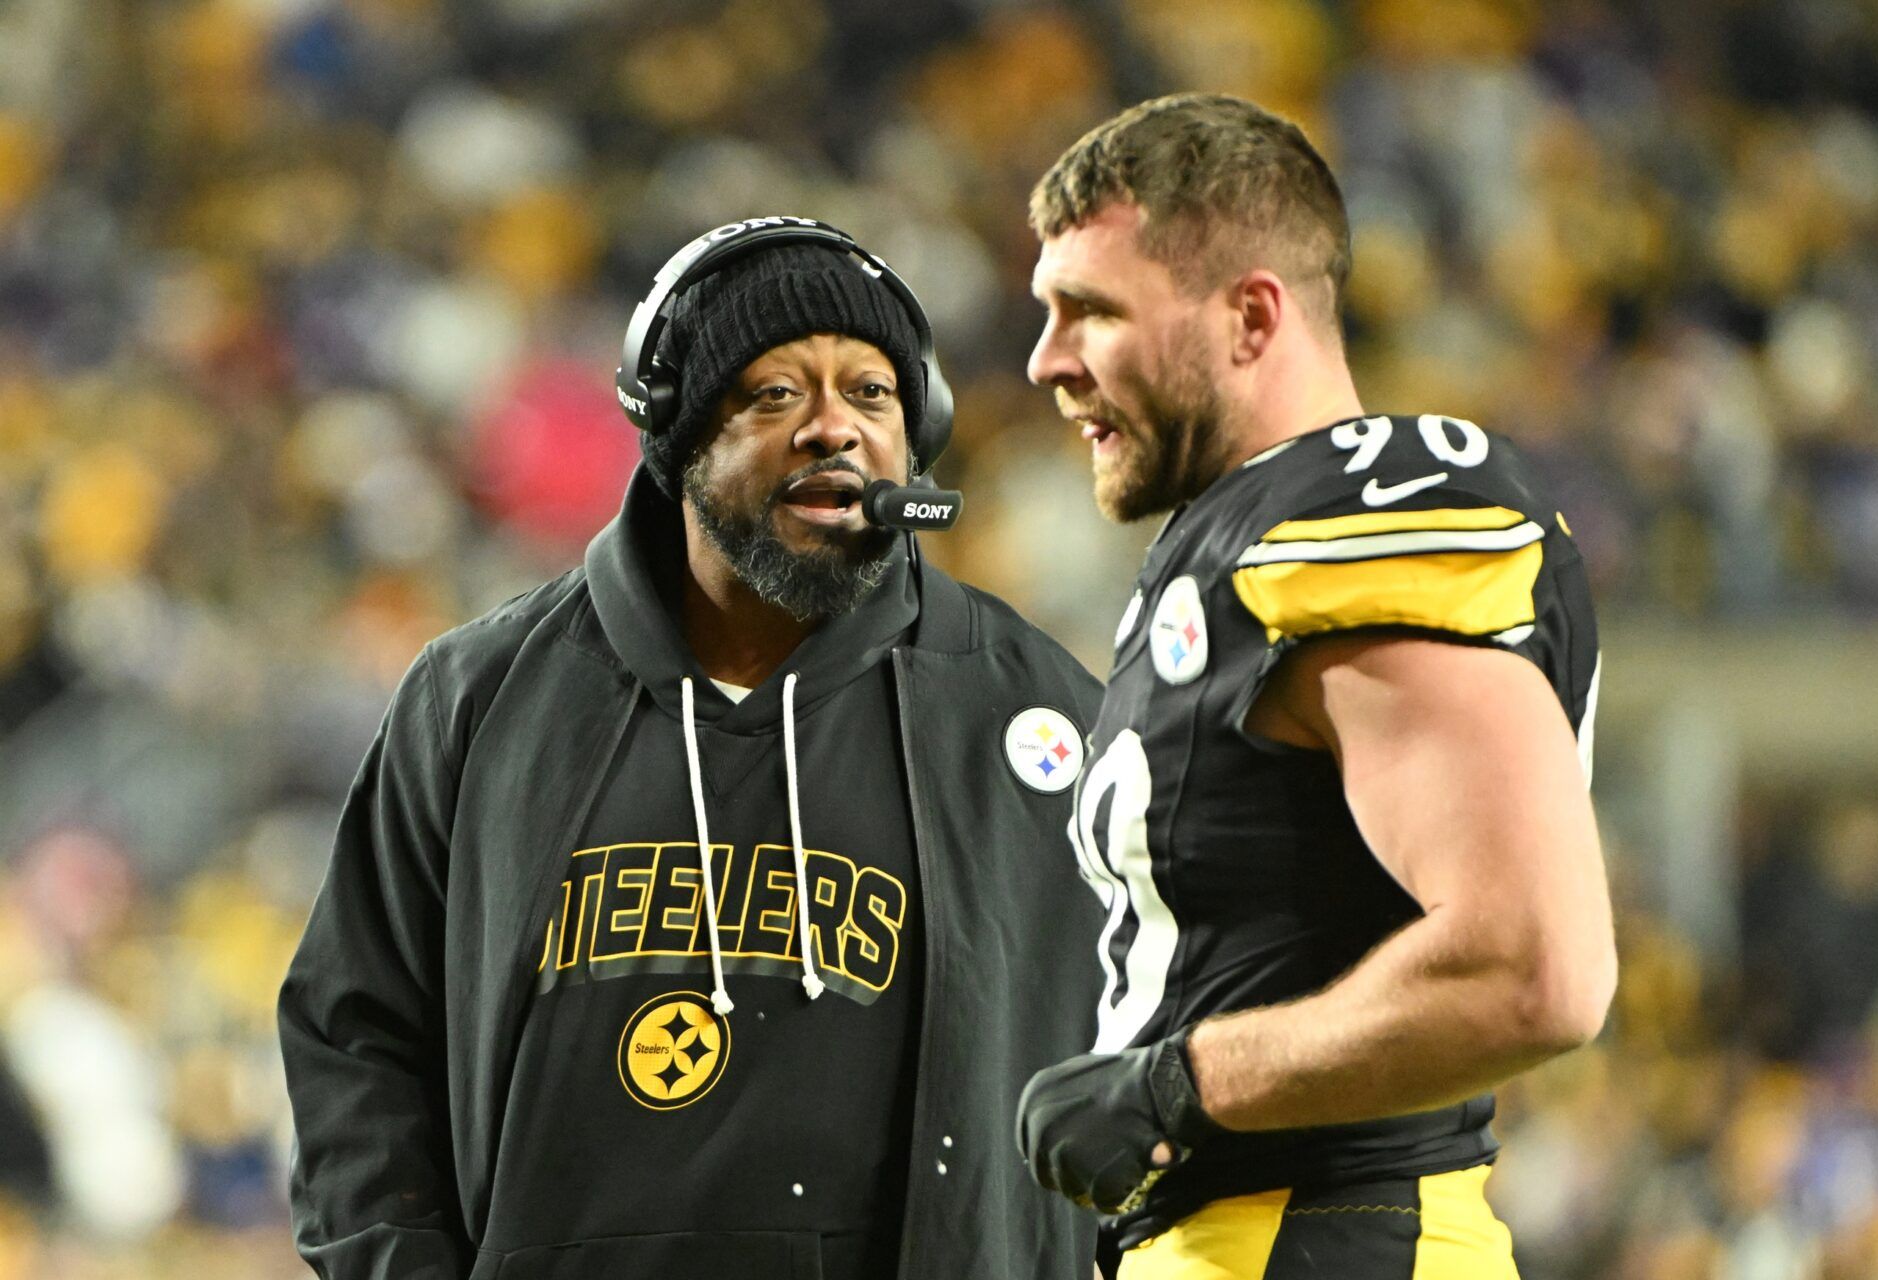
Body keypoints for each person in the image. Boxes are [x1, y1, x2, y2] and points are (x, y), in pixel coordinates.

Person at [279, 217, 1103, 1280]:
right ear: (676, 432)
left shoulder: (1033, 714)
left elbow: (1133, 1072)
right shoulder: (478, 696)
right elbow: (357, 1037)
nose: (832, 429)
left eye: (872, 393)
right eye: (774, 394)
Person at [1014, 94, 1616, 1277]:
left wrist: (1182, 1081)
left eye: (1089, 310)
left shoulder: (1361, 515)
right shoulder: (1235, 539)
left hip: (1324, 1233)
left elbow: (1535, 966)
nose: (1046, 359)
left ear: (1251, 315)